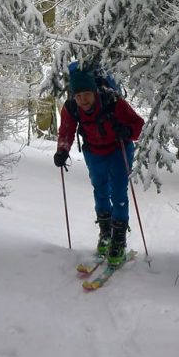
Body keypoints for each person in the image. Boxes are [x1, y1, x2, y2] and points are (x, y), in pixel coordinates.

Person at [53, 67, 144, 265]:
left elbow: (138, 124)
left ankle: (118, 240)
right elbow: (66, 130)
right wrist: (62, 150)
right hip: (94, 151)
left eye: (87, 94)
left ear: (94, 92)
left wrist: (126, 131)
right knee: (100, 190)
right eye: (79, 95)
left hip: (118, 150)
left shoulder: (113, 102)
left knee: (119, 193)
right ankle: (106, 233)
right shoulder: (71, 106)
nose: (83, 100)